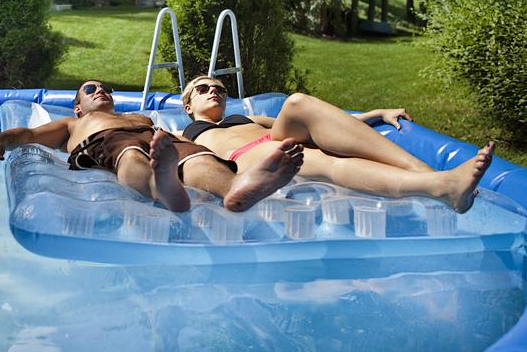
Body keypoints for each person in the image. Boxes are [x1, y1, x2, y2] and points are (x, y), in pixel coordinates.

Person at [0, 80, 305, 212]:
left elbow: (181, 143)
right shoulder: (73, 124)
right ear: (78, 106)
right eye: (91, 89)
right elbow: (29, 135)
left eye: (105, 88)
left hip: (161, 140)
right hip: (105, 142)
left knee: (197, 159)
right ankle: (162, 187)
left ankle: (234, 189)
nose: (100, 91)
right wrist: (0, 138)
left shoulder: (137, 116)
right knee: (130, 155)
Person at [180, 75, 495, 213]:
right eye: (203, 88)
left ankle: (435, 177)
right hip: (248, 159)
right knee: (321, 160)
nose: (214, 92)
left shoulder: (250, 119)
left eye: (220, 89)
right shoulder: (186, 135)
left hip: (271, 140)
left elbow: (330, 126)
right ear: (188, 106)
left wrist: (376, 114)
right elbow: (192, 168)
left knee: (298, 102)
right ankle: (440, 186)